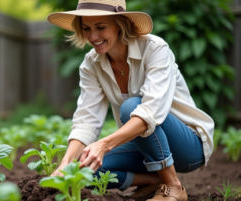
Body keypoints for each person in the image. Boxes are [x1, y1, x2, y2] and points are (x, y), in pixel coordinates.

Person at [47, 0, 215, 200]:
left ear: (120, 24)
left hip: (188, 147)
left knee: (132, 107)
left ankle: (173, 185)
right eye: (86, 28)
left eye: (101, 27)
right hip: (143, 147)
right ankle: (153, 180)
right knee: (83, 171)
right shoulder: (91, 64)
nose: (93, 36)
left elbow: (150, 113)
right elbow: (86, 120)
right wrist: (65, 163)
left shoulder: (154, 49)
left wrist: (104, 145)